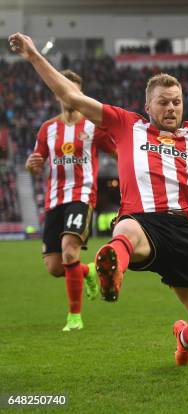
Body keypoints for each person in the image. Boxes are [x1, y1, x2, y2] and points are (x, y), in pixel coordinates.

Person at [10, 20, 188, 365]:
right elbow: (71, 96)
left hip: (184, 232)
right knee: (125, 232)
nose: (171, 108)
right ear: (149, 107)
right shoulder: (126, 125)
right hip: (141, 221)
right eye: (164, 103)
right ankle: (112, 271)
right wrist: (33, 54)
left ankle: (183, 338)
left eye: (176, 102)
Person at [25, 69, 115, 332]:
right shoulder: (47, 129)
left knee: (68, 249)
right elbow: (36, 163)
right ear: (57, 94)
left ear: (80, 94)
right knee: (55, 267)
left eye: (75, 90)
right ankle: (87, 272)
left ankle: (74, 317)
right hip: (55, 199)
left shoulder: (92, 127)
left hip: (82, 195)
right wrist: (32, 165)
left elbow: (118, 150)